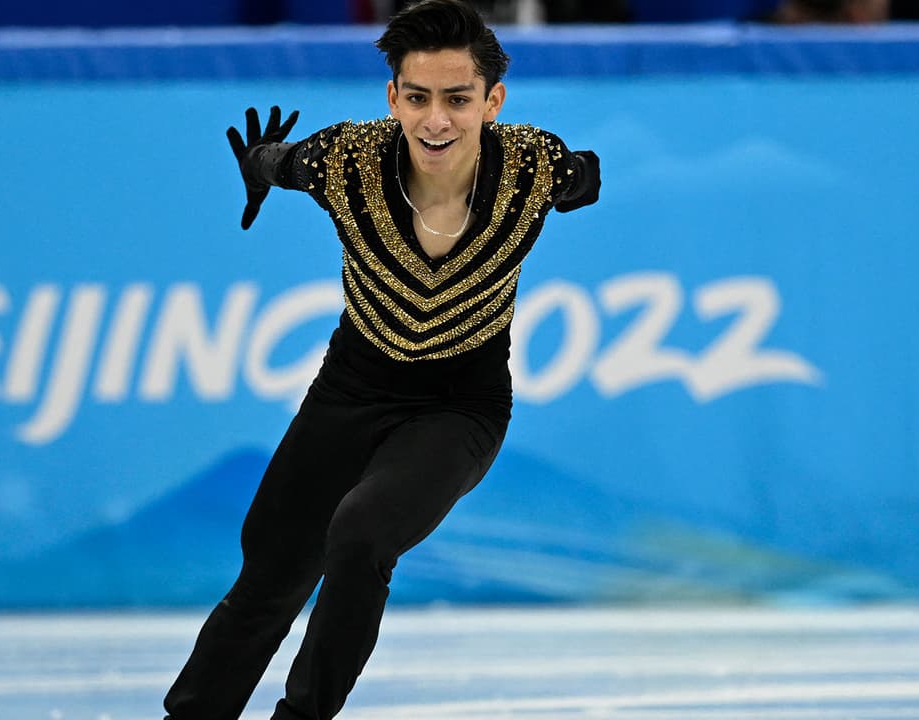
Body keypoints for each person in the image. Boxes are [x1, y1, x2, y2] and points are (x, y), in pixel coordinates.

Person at [163, 1, 600, 718]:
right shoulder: (347, 160)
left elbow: (583, 175)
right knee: (271, 569)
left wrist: (581, 177)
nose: (436, 121)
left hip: (462, 404)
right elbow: (277, 161)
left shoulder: (531, 165)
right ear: (392, 95)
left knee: (362, 533)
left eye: (458, 99)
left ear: (493, 101)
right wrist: (257, 168)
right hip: (352, 390)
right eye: (419, 97)